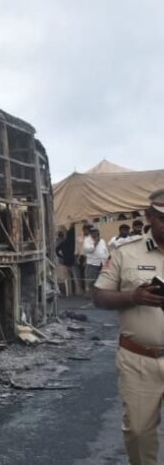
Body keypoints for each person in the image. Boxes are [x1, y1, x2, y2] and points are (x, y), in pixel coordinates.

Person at [93, 189, 164, 465]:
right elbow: (99, 296)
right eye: (162, 218)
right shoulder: (125, 253)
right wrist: (133, 297)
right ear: (149, 216)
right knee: (138, 432)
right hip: (139, 358)